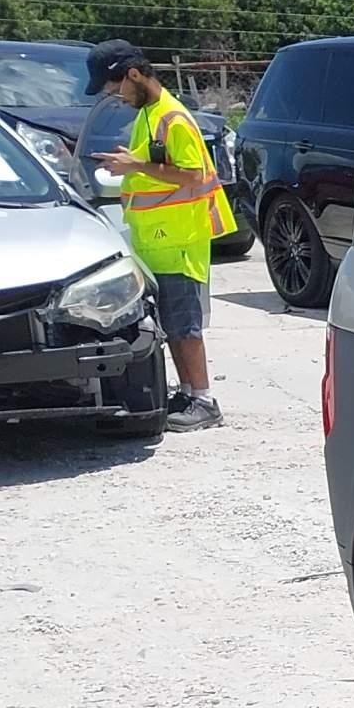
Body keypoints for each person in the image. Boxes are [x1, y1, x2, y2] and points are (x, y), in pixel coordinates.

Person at [89, 39, 236, 431]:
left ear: (134, 75)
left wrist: (134, 164)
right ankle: (188, 394)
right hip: (160, 240)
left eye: (115, 87)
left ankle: (204, 400)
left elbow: (193, 174)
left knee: (185, 326)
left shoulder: (172, 117)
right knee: (173, 324)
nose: (115, 97)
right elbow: (156, 168)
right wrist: (131, 167)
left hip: (179, 240)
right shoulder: (150, 114)